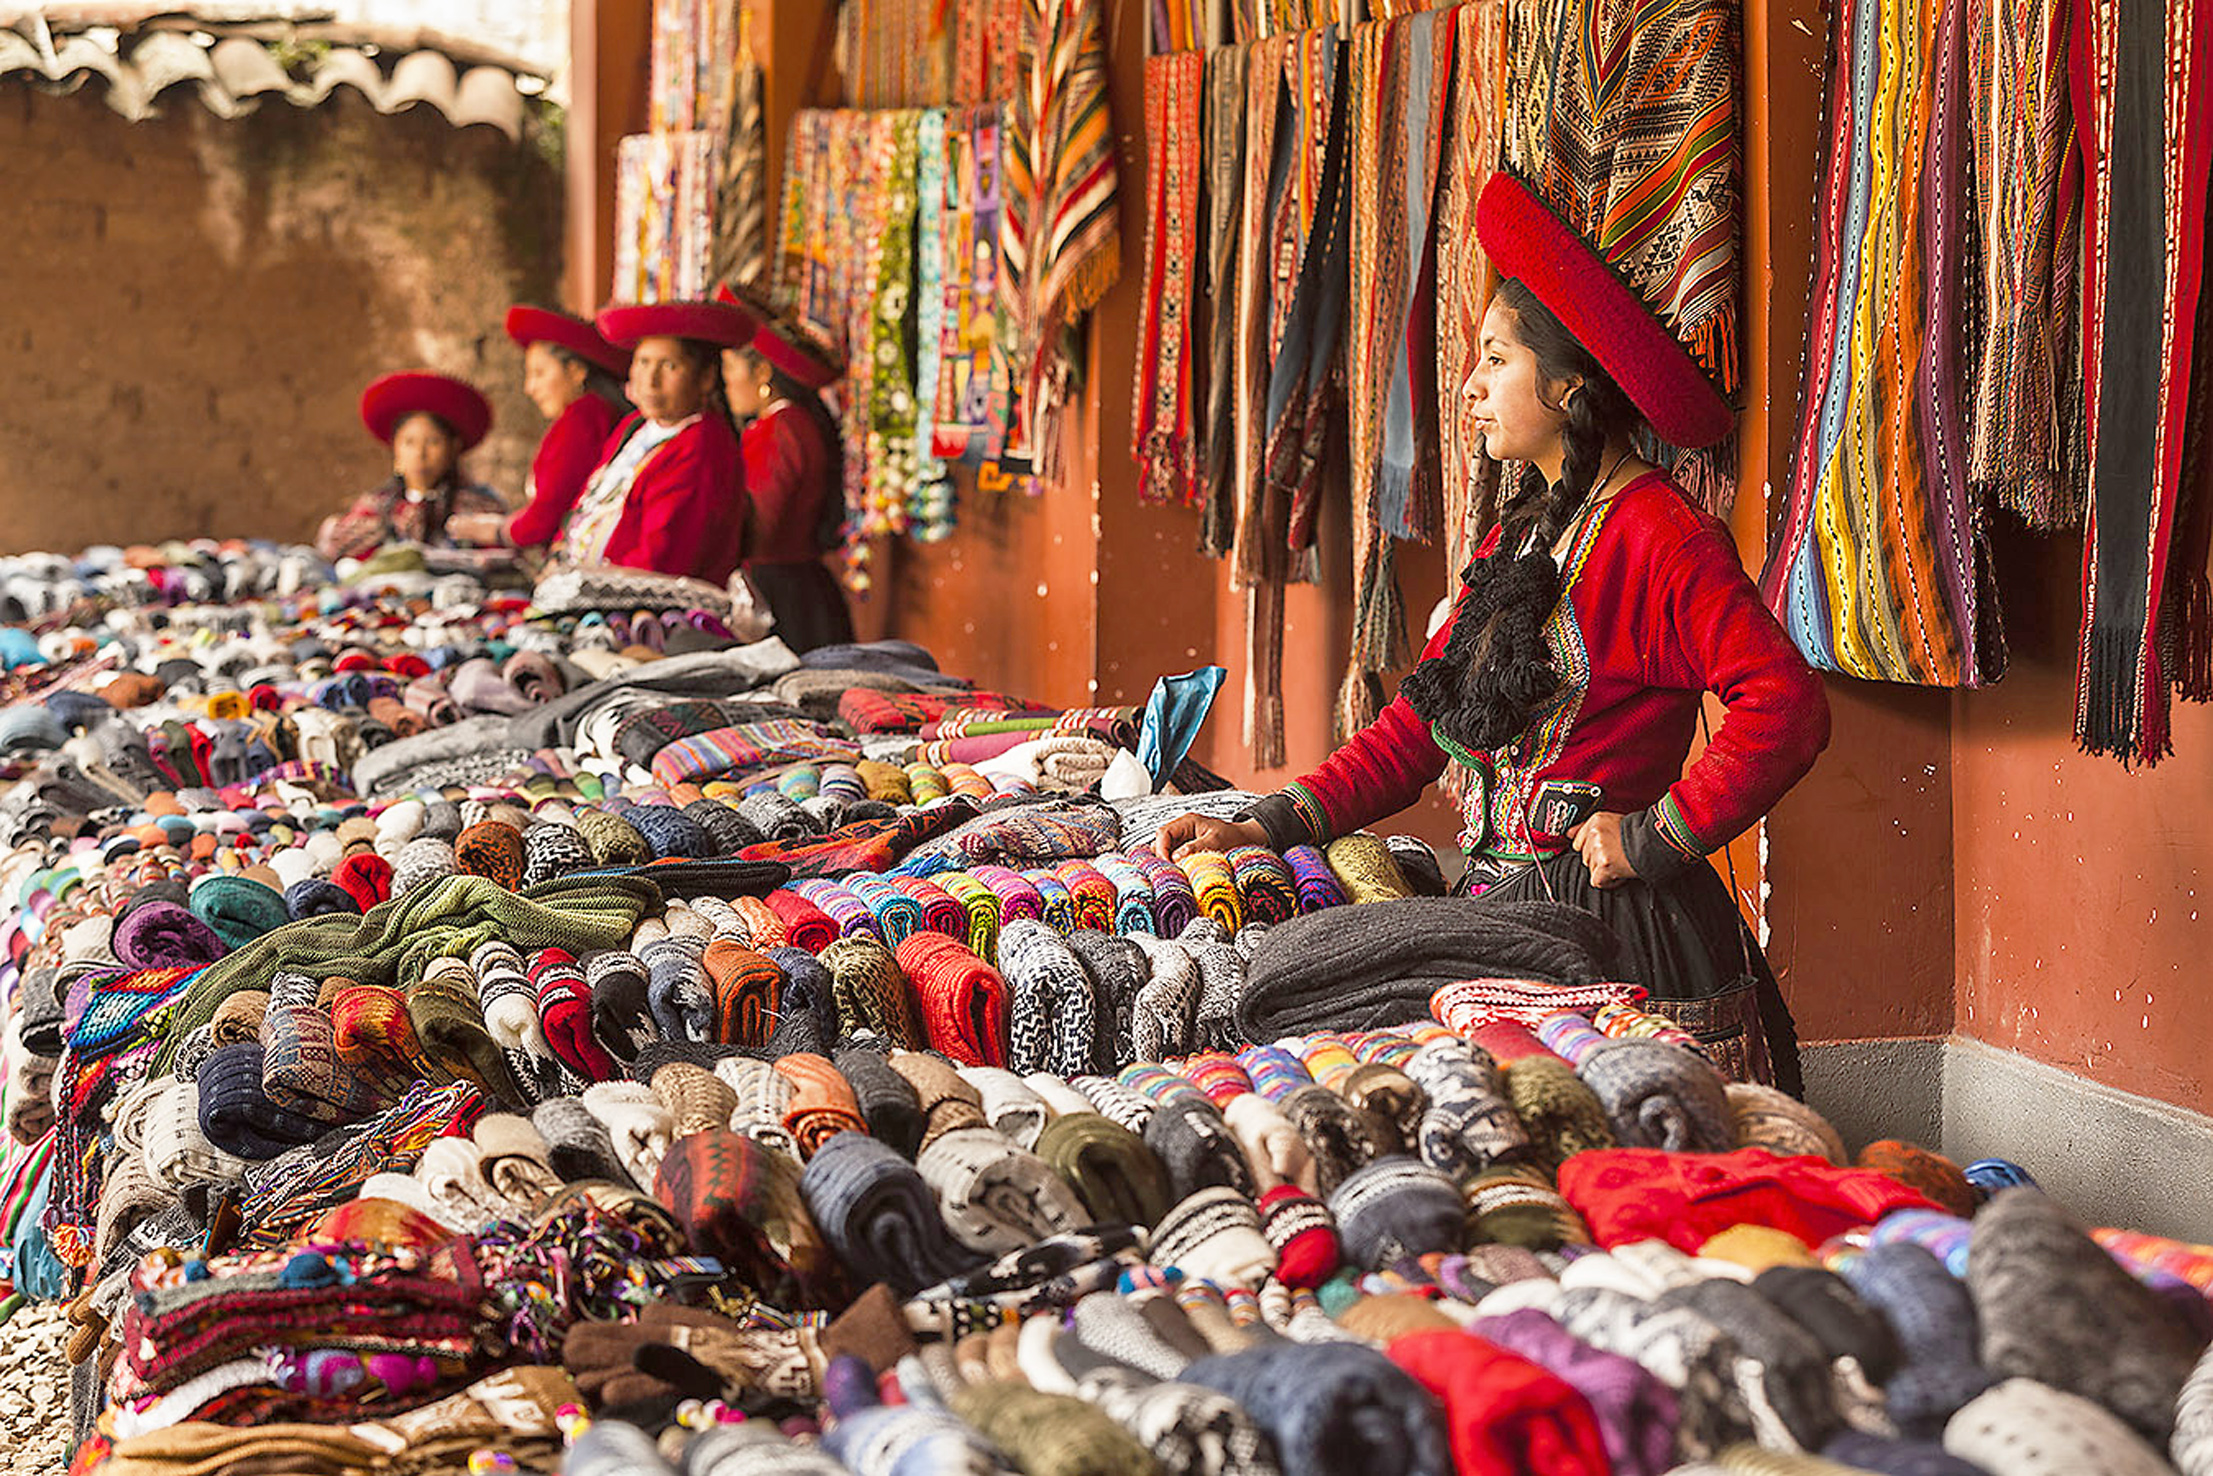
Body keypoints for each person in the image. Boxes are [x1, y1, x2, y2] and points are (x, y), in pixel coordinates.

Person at [1159, 174, 1830, 1089]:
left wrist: (1656, 834)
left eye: (1494, 359)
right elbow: (1412, 735)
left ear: (1566, 382)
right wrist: (1264, 825)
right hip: (1505, 913)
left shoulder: (1658, 536)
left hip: (1608, 932)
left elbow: (1783, 705)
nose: (1470, 386)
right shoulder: (1522, 535)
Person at [547, 299, 757, 586]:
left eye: (669, 366)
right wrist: (560, 553)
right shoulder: (636, 427)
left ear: (706, 378)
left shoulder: (702, 447)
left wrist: (580, 580)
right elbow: (587, 501)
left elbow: (660, 562)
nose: (650, 380)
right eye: (643, 362)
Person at [715, 285, 855, 652]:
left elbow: (762, 525)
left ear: (762, 373)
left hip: (782, 598)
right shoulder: (780, 425)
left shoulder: (782, 430)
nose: (725, 380)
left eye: (730, 367)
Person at [445, 306, 631, 553]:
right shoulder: (595, 413)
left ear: (576, 371)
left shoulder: (583, 417)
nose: (529, 388)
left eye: (539, 373)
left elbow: (547, 514)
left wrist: (498, 530)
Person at [317, 372, 506, 563]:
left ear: (453, 447)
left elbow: (503, 556)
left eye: (433, 442)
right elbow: (338, 553)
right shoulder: (376, 509)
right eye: (409, 443)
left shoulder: (480, 507)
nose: (420, 454)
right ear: (395, 448)